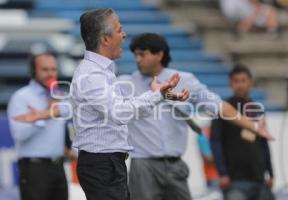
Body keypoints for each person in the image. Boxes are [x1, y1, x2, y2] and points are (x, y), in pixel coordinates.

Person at [117, 33, 273, 200]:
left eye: (142, 54)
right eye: (135, 55)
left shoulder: (185, 80)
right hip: (143, 165)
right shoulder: (126, 84)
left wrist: (254, 127)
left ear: (159, 55)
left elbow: (218, 106)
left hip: (175, 164)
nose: (137, 60)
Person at [70, 9, 189, 200]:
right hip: (102, 164)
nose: (124, 34)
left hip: (107, 163)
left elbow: (123, 107)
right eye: (119, 29)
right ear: (105, 39)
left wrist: (158, 95)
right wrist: (156, 94)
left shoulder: (101, 71)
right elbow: (120, 112)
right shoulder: (92, 74)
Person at [7, 52, 72, 200]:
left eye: (53, 69)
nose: (50, 73)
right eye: (44, 69)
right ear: (33, 71)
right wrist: (45, 115)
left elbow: (68, 126)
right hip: (34, 169)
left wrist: (70, 147)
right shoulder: (21, 97)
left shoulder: (60, 96)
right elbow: (19, 134)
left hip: (59, 168)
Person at [210, 65, 274, 200]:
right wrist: (222, 173)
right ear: (230, 83)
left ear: (250, 82)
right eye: (236, 81)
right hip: (234, 180)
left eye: (243, 80)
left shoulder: (257, 109)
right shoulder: (223, 109)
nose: (240, 85)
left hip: (259, 179)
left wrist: (270, 172)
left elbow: (263, 143)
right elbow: (215, 142)